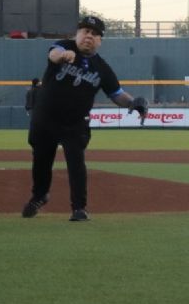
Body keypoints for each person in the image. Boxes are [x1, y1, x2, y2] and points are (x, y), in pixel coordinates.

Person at [22, 16, 148, 222]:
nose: (88, 35)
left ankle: (79, 208)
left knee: (76, 163)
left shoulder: (103, 69)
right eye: (84, 31)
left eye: (94, 33)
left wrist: (134, 103)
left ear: (100, 41)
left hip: (75, 122)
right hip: (46, 117)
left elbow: (116, 94)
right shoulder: (64, 46)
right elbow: (53, 54)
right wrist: (64, 56)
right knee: (41, 160)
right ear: (77, 34)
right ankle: (40, 196)